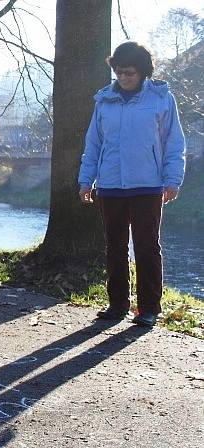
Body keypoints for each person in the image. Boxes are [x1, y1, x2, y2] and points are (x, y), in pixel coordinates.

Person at [78, 42, 186, 328]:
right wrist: (86, 180)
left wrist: (172, 180)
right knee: (114, 246)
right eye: (119, 72)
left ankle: (149, 308)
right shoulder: (103, 101)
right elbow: (94, 144)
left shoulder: (162, 99)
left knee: (147, 246)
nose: (123, 77)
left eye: (130, 73)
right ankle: (117, 304)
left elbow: (174, 143)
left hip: (148, 186)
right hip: (110, 185)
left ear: (143, 72)